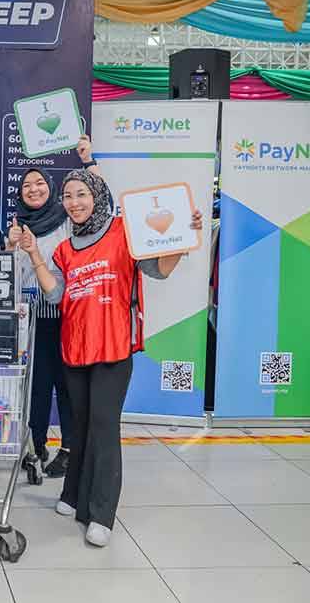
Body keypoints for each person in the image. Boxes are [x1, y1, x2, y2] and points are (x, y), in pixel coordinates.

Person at [18, 167, 202, 547]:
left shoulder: (125, 233)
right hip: (76, 348)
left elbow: (159, 271)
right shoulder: (65, 249)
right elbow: (55, 294)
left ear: (97, 196)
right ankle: (73, 494)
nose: (74, 203)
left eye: (81, 194)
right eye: (68, 196)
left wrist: (181, 238)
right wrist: (35, 254)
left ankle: (101, 513)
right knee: (80, 424)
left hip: (114, 348)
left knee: (103, 426)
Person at [6, 136, 97, 478]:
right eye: (27, 185)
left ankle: (70, 449)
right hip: (30, 318)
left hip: (66, 314)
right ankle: (37, 445)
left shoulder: (68, 220)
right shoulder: (17, 226)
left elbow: (100, 201)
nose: (33, 189)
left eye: (40, 183)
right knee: (36, 385)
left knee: (67, 384)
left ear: (51, 187)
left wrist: (88, 161)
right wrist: (9, 246)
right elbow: (10, 274)